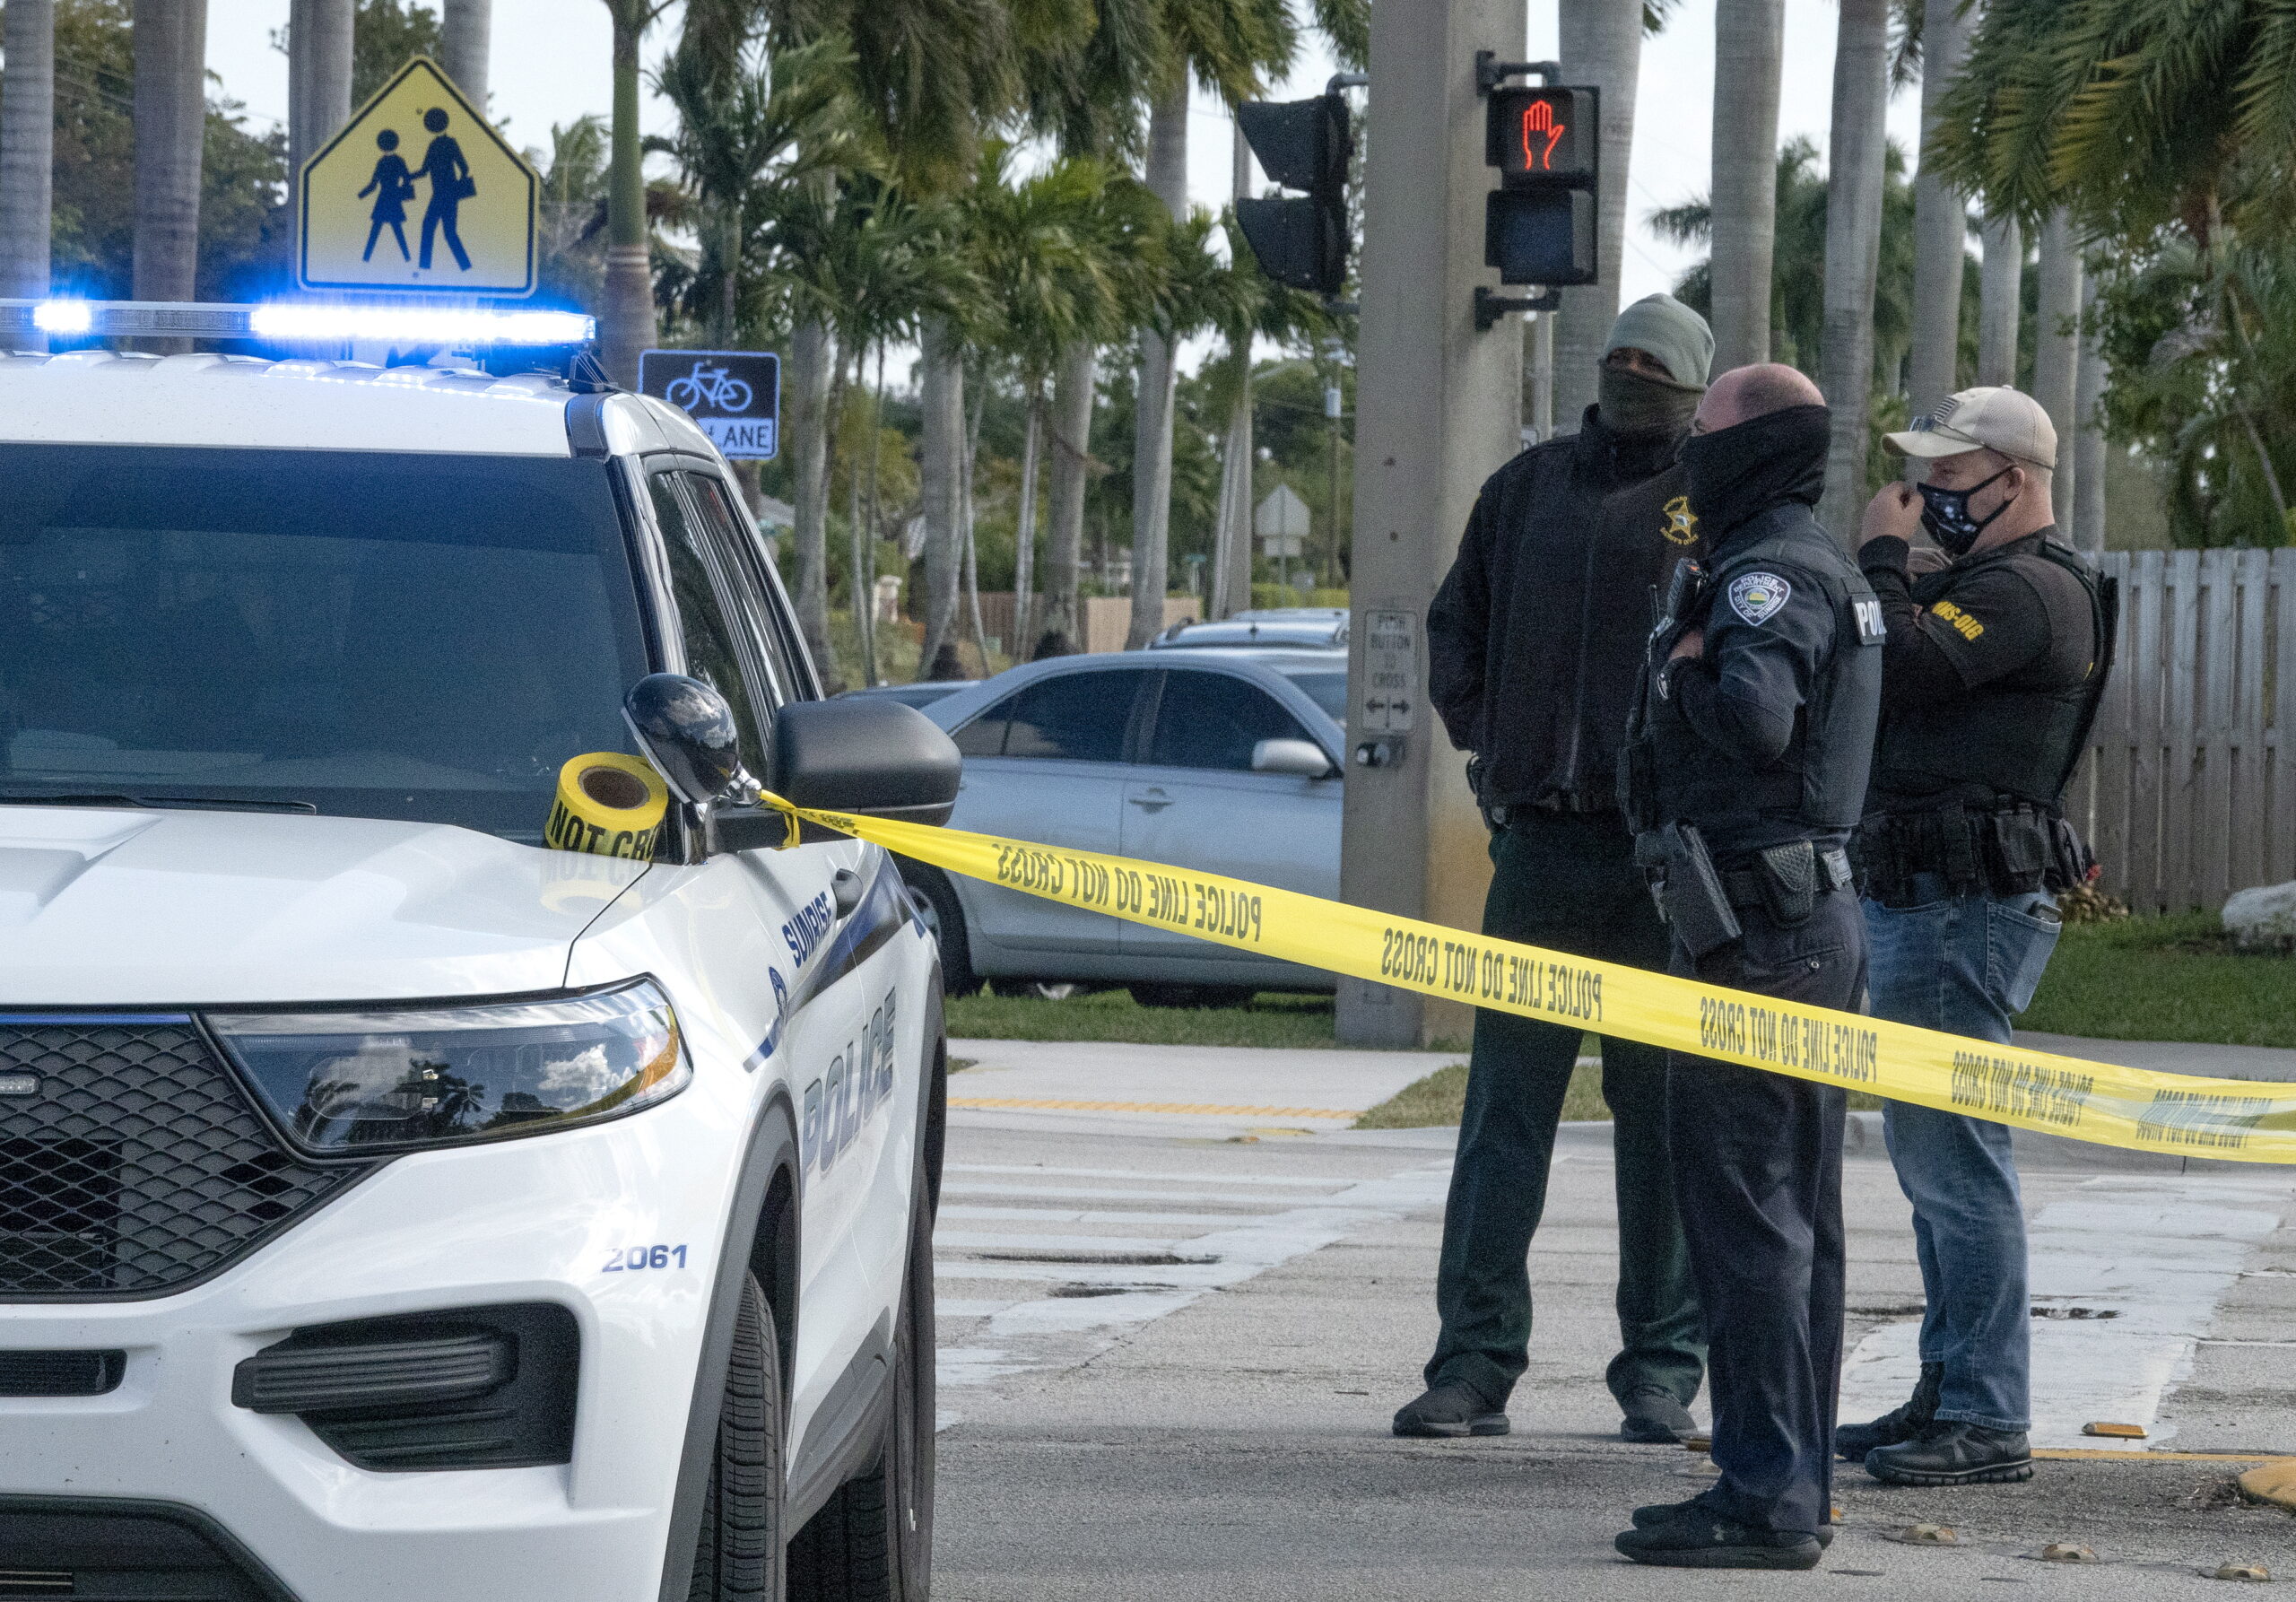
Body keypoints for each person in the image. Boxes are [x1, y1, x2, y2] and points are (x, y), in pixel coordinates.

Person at [1406, 293, 1714, 1446]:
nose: (1633, 376)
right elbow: (1455, 631)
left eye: (1659, 367)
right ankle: (1473, 1363)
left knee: (1660, 1119)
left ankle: (1659, 1372)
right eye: (1621, 359)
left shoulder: (1713, 504)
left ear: (1693, 387)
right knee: (1504, 1116)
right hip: (1538, 846)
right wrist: (1494, 737)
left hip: (1658, 863)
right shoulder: (1524, 491)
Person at [1613, 364, 1885, 1569]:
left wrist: (1680, 663)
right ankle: (1791, 1481)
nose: (1687, 446)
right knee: (1796, 1218)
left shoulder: (1765, 572)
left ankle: (1765, 1493)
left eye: (1706, 427)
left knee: (1748, 1219)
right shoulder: (1818, 561)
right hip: (1802, 921)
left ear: (1758, 444)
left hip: (1759, 936)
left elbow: (1757, 716)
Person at [1835, 387, 2113, 1486]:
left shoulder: (2028, 591)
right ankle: (1948, 1387)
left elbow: (1894, 664)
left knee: (1956, 1166)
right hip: (1923, 894)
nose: (1923, 498)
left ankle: (1987, 1413)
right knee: (1930, 1165)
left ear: (2017, 477)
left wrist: (1879, 556)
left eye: (1947, 479)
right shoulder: (1983, 584)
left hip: (1961, 906)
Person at [417, 108, 474, 273]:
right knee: (438, 229)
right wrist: (407, 177)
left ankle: (464, 267)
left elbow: (464, 167)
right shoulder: (436, 144)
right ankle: (426, 268)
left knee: (442, 231)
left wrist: (458, 186)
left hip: (446, 194)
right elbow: (425, 170)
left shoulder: (445, 143)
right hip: (443, 194)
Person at [358, 129, 415, 263]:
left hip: (384, 198)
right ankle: (407, 258)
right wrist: (400, 191)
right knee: (396, 229)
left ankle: (366, 258)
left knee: (376, 229)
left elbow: (373, 185)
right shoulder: (399, 160)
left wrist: (361, 195)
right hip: (394, 198)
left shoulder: (381, 162)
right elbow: (407, 179)